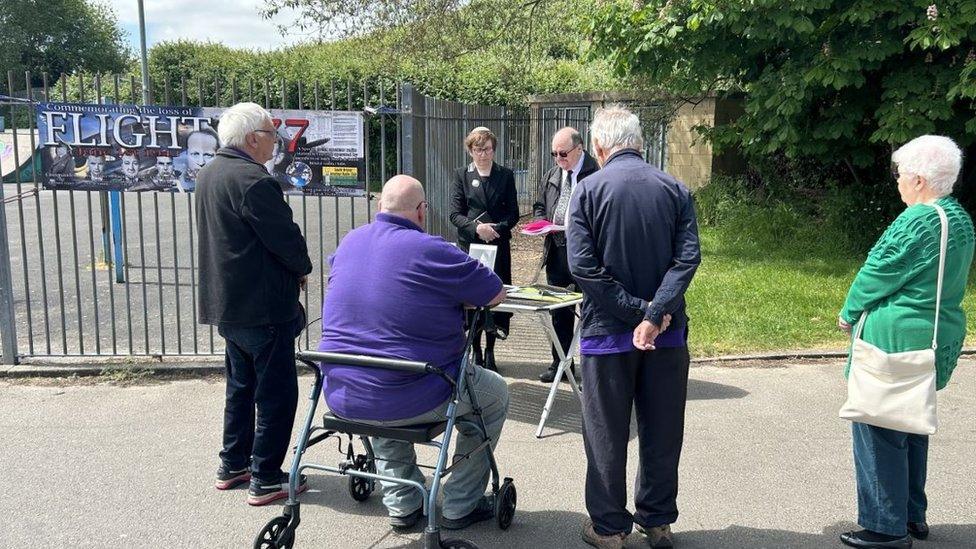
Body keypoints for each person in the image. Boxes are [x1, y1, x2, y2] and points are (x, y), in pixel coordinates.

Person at [319, 175, 510, 531]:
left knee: (380, 394)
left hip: (344, 390)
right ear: (422, 212)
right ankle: (459, 504)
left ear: (379, 207)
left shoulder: (349, 243)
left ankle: (403, 503)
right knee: (495, 394)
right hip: (416, 390)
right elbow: (494, 292)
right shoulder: (432, 249)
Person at [566, 105, 700, 549]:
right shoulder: (676, 189)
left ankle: (609, 528)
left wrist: (635, 312)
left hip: (607, 334)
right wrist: (654, 313)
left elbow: (583, 268)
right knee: (662, 428)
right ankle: (657, 521)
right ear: (639, 142)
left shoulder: (587, 192)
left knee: (605, 433)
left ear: (599, 147)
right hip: (667, 332)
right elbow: (686, 260)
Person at [836, 135, 974, 549]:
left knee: (878, 427)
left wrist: (848, 312)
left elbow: (878, 272)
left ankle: (885, 526)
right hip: (936, 337)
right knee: (911, 423)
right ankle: (912, 515)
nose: (896, 181)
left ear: (917, 179)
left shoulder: (916, 221)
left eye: (899, 175)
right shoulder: (960, 218)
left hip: (895, 341)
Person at [195, 102, 313, 506]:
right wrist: (303, 267)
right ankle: (265, 475)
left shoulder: (209, 173)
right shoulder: (254, 181)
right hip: (262, 307)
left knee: (241, 388)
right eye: (270, 135)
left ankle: (233, 463)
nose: (275, 143)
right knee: (276, 393)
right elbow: (285, 240)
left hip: (227, 303)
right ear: (251, 139)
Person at [449, 127, 520, 371]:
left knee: (494, 296)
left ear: (493, 149)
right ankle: (475, 350)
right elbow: (455, 214)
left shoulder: (505, 175)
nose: (483, 155)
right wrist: (477, 229)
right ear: (470, 151)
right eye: (478, 150)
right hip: (471, 246)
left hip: (497, 245)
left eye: (487, 149)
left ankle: (491, 349)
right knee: (472, 298)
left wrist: (496, 228)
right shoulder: (461, 175)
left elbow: (514, 213)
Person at [532, 126, 599, 383]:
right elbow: (540, 205)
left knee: (589, 309)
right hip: (557, 250)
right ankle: (560, 363)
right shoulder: (553, 173)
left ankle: (590, 367)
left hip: (584, 253)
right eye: (554, 154)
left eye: (563, 153)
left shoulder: (595, 173)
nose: (558, 159)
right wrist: (541, 223)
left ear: (579, 149)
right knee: (559, 309)